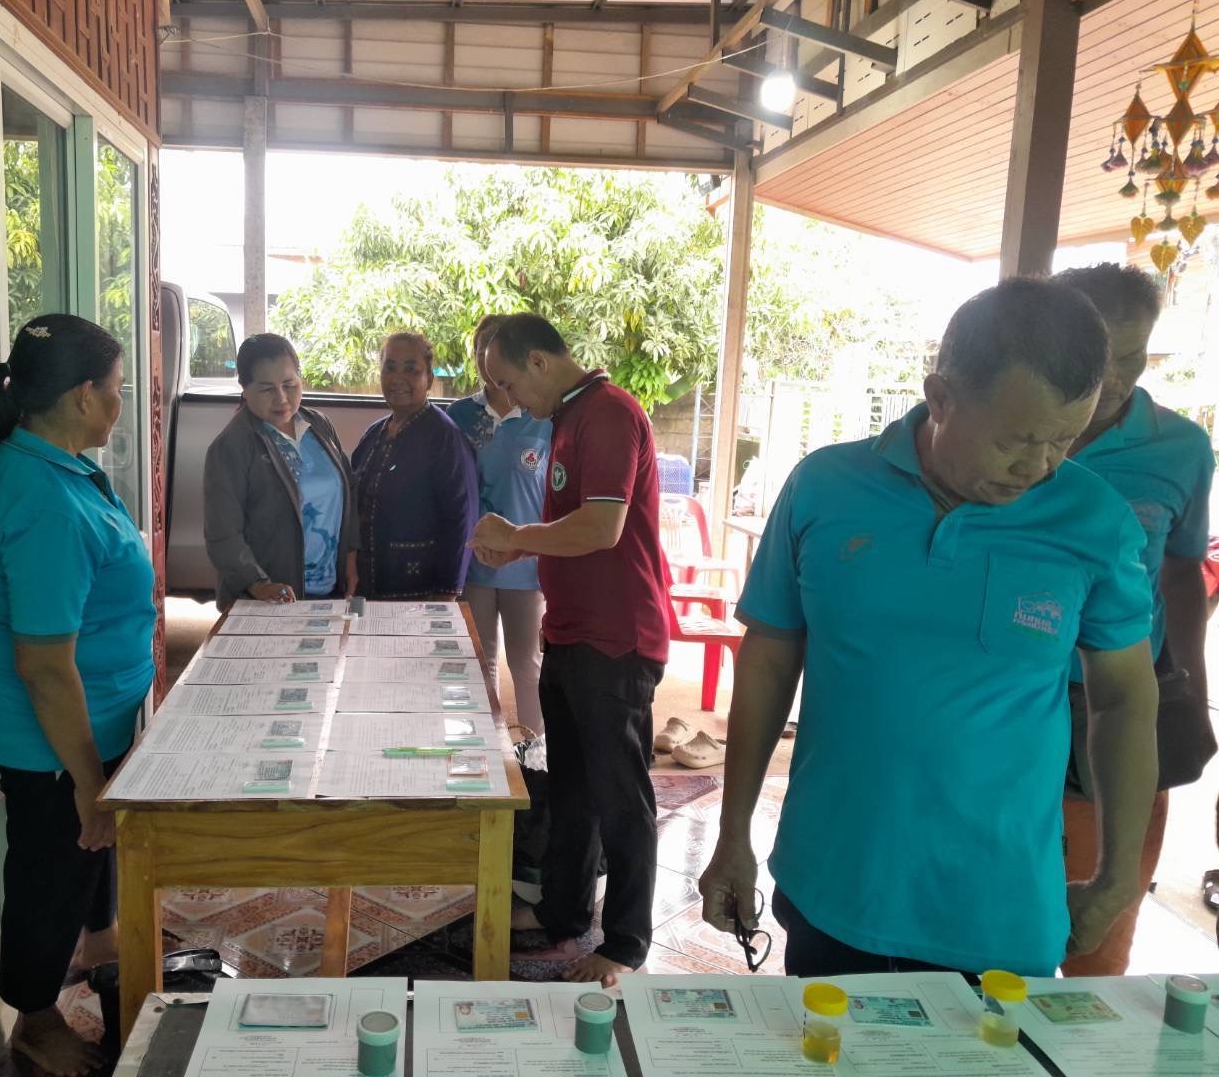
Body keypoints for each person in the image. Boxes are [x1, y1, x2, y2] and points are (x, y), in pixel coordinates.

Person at [698, 279, 1159, 980]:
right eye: (1015, 440)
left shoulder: (1093, 520)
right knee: (825, 1050)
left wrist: (1117, 877)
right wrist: (733, 834)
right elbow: (767, 660)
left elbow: (1125, 696)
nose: (1038, 467)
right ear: (940, 397)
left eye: (1063, 441)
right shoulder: (825, 488)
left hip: (1000, 908)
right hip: (834, 883)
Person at [0, 315, 155, 1076]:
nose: (120, 403)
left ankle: (102, 943)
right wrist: (83, 779)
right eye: (116, 390)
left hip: (91, 718)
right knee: (50, 870)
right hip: (51, 737)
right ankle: (35, 1016)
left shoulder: (60, 467)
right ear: (82, 396)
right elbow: (45, 665)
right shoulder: (45, 500)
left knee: (86, 853)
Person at [469, 313, 670, 986]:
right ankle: (562, 910)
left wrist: (517, 537)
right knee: (573, 786)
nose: (507, 397)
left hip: (616, 637)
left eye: (508, 382)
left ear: (539, 362)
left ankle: (626, 941)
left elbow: (602, 527)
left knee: (619, 794)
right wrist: (518, 545)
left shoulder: (608, 413)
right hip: (572, 630)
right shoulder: (567, 418)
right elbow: (568, 527)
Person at [1050, 263, 1215, 975]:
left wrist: (1190, 685)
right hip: (1009, 692)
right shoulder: (1012, 432)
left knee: (1099, 921)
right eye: (1097, 357)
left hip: (1116, 699)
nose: (1114, 378)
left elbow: (1181, 571)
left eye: (1134, 356)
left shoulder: (1179, 449)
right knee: (997, 902)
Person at [445, 315, 550, 736]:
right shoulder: (459, 416)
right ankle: (483, 751)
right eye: (479, 348)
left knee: (527, 664)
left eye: (495, 348)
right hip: (474, 563)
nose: (486, 359)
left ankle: (534, 758)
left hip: (527, 563)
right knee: (479, 660)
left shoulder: (542, 415)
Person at [204, 333, 359, 609]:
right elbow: (222, 534)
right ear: (244, 388)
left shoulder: (319, 425)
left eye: (289, 384)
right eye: (267, 389)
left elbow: (349, 492)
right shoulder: (231, 446)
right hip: (270, 599)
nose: (282, 398)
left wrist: (350, 557)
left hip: (330, 590)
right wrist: (258, 584)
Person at [352, 332, 477, 598]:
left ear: (429, 378)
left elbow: (462, 519)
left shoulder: (444, 436)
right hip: (369, 585)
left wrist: (447, 593)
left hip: (423, 592)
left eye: (411, 369)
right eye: (390, 367)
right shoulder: (374, 434)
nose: (398, 378)